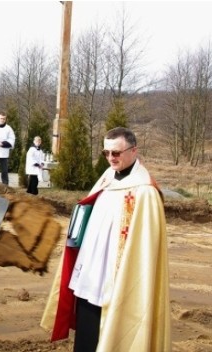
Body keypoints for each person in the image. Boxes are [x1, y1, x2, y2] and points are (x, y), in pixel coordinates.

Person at [41, 127, 170, 351]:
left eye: (116, 153)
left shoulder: (145, 191)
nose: (111, 158)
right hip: (91, 273)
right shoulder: (107, 177)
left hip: (118, 277)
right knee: (86, 336)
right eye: (106, 153)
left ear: (134, 151)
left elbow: (145, 250)